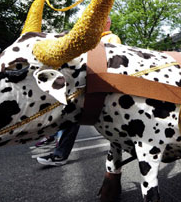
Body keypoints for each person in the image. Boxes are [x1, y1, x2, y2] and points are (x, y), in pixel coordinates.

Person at [37, 17, 121, 166]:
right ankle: (58, 152)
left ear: (106, 23)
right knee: (71, 116)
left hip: (100, 86)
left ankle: (59, 153)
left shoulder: (111, 38)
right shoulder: (90, 40)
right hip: (83, 84)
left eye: (98, 22)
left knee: (73, 116)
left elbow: (111, 61)